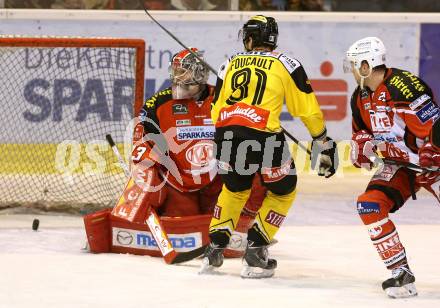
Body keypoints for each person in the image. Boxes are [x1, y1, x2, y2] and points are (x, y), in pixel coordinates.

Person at [84, 48, 265, 258]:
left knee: (257, 174)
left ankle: (251, 227)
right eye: (176, 71)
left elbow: (248, 129)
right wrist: (144, 161)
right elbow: (142, 135)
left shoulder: (225, 98)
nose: (177, 78)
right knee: (184, 226)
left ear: (199, 74)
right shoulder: (159, 103)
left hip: (217, 181)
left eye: (184, 72)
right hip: (179, 184)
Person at [199, 15, 338, 278]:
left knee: (235, 188)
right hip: (264, 138)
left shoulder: (228, 63)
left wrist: (241, 120)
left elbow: (216, 111)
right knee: (284, 190)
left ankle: (215, 247)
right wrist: (322, 141)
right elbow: (307, 109)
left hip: (226, 135)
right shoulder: (288, 63)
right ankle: (256, 249)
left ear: (250, 39)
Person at [345, 36, 440, 298]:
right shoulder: (359, 97)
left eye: (354, 65)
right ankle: (401, 274)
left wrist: (434, 151)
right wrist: (361, 145)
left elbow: (437, 124)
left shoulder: (403, 87)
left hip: (435, 166)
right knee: (370, 204)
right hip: (401, 165)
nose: (352, 71)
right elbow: (361, 132)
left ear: (366, 66)